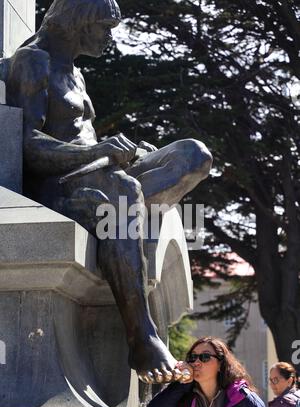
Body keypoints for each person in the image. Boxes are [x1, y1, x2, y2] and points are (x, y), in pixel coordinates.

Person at [2, 0, 213, 384]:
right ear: (79, 23)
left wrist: (119, 153)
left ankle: (124, 228)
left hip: (99, 173)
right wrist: (98, 152)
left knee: (193, 155)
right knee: (122, 191)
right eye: (104, 28)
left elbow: (85, 136)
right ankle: (141, 336)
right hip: (59, 185)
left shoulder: (76, 73)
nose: (110, 38)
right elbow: (26, 143)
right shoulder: (32, 62)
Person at [146, 336, 280, 407]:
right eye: (193, 358)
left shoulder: (241, 398)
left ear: (220, 365)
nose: (196, 363)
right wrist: (183, 382)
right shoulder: (188, 396)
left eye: (205, 357)